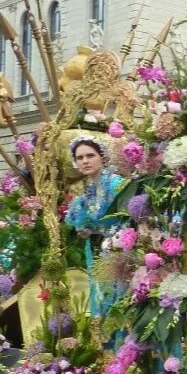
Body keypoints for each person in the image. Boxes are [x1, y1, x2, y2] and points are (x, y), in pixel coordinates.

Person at [63, 135, 127, 316]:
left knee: (119, 304)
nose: (85, 161)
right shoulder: (90, 190)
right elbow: (99, 224)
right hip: (103, 253)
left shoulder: (116, 183)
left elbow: (132, 218)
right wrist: (89, 230)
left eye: (90, 156)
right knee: (104, 303)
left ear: (102, 156)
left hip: (124, 254)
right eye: (80, 158)